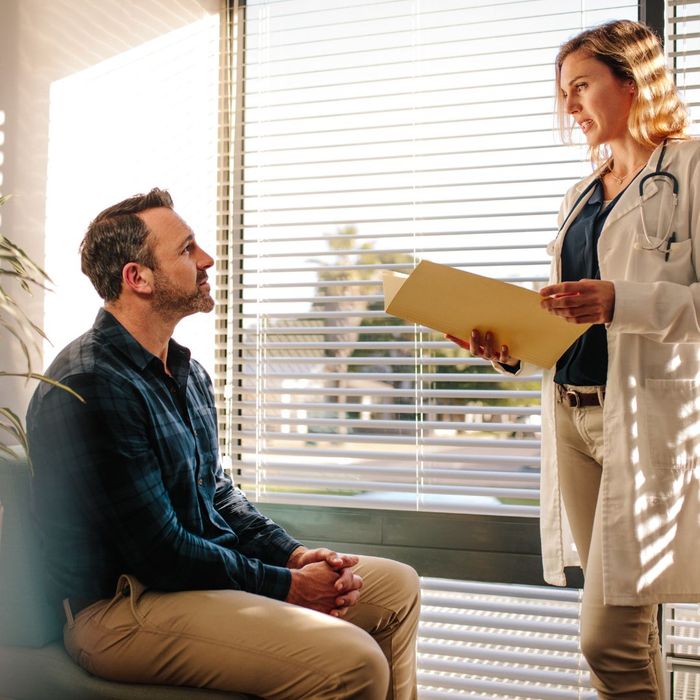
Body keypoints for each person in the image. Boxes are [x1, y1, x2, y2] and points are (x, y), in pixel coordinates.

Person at [27, 188, 420, 699]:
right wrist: (288, 586)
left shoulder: (188, 374)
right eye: (187, 249)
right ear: (137, 278)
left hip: (186, 585)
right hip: (120, 608)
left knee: (396, 587)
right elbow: (158, 552)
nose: (207, 259)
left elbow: (217, 495)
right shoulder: (92, 384)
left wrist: (294, 555)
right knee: (355, 662)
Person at [449, 19, 699, 700]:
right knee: (626, 628)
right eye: (564, 93)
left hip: (648, 422)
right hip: (572, 416)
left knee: (608, 639)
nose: (570, 106)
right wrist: (504, 346)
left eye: (581, 86)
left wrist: (621, 300)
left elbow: (634, 308)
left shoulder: (692, 170)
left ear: (633, 81)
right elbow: (570, 325)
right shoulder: (579, 198)